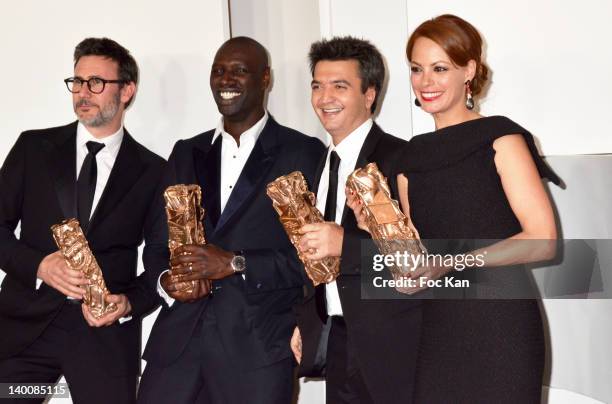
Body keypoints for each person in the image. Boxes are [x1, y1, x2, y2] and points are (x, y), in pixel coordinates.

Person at [347, 14, 561, 403]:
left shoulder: (500, 137)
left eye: (440, 68)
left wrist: (455, 262)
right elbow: (414, 271)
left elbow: (543, 240)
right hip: (440, 330)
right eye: (417, 69)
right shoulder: (410, 158)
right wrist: (377, 231)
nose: (426, 81)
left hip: (502, 327)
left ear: (469, 70)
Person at [136, 36, 325, 404]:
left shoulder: (303, 153)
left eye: (240, 71)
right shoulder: (185, 152)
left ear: (266, 78)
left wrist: (235, 263)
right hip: (176, 349)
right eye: (219, 71)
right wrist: (167, 280)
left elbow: (313, 261)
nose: (226, 80)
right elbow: (157, 245)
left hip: (257, 350)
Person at [0, 38, 166, 403]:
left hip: (103, 338)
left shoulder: (154, 171)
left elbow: (160, 263)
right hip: (23, 333)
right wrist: (40, 266)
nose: (82, 92)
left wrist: (127, 304)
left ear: (127, 91)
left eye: (96, 82)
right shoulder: (33, 148)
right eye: (76, 82)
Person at [291, 36, 422, 403]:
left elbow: (419, 259)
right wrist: (306, 318)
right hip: (338, 342)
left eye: (340, 86)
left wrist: (343, 244)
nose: (324, 97)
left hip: (393, 347)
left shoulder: (402, 158)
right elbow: (312, 254)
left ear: (369, 95)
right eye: (317, 85)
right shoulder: (316, 164)